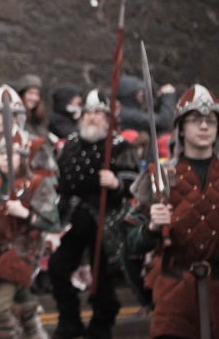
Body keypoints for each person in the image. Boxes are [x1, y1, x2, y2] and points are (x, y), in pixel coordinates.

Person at [125, 84, 219, 338]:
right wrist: (151, 228)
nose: (203, 127)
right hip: (175, 291)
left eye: (210, 121)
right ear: (180, 127)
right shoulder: (159, 177)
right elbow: (130, 244)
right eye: (194, 120)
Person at [48, 89, 140, 339]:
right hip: (74, 218)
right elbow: (59, 180)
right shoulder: (70, 144)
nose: (92, 118)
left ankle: (102, 323)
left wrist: (116, 182)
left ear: (108, 117)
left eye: (98, 113)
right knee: (57, 268)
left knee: (102, 276)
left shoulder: (120, 146)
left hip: (105, 219)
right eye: (88, 113)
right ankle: (69, 319)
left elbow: (135, 180)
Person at [0, 126, 60, 339]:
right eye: (2, 153)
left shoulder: (36, 183)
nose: (6, 158)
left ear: (23, 157)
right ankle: (35, 332)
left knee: (0, 309)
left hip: (20, 252)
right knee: (21, 301)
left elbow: (51, 221)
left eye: (12, 153)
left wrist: (25, 213)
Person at [16, 74, 48, 140]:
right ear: (22, 95)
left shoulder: (39, 119)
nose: (34, 98)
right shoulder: (16, 118)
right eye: (30, 93)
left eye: (37, 94)